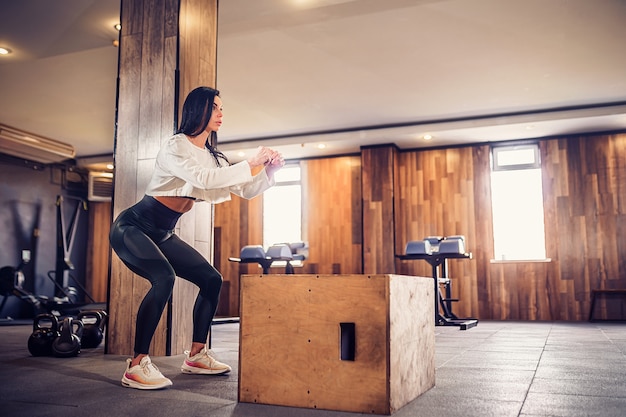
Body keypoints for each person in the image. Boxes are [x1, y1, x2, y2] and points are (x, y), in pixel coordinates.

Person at [109, 86, 284, 390]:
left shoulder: (212, 158)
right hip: (133, 227)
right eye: (215, 107)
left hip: (163, 233)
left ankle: (196, 355)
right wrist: (252, 161)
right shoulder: (175, 146)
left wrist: (270, 172)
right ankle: (136, 365)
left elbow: (242, 188)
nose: (221, 113)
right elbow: (203, 180)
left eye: (221, 108)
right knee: (164, 278)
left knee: (211, 279)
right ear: (198, 110)